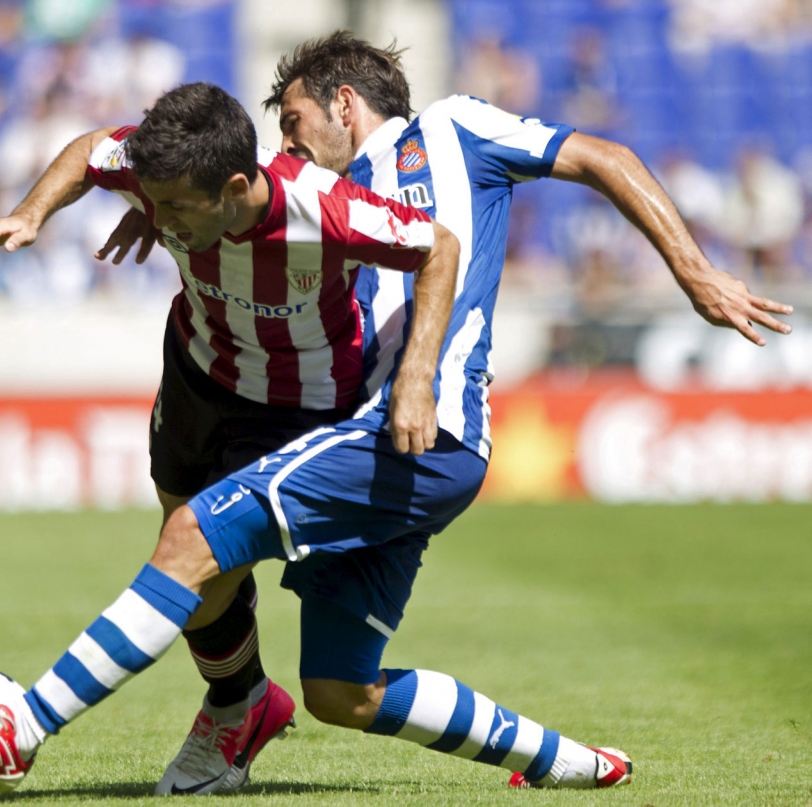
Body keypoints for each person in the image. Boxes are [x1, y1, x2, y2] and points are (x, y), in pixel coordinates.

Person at [89, 31, 797, 794]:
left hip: (420, 428)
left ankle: (74, 718)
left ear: (344, 103)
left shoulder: (455, 126)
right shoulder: (311, 194)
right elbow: (235, 210)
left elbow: (604, 157)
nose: (285, 143)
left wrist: (694, 270)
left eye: (292, 121)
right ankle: (565, 760)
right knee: (339, 689)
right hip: (347, 431)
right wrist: (171, 216)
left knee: (199, 545)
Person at [0, 80, 461, 794]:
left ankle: (204, 710)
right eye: (151, 201)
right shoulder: (167, 168)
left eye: (173, 207)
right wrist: (30, 213)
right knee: (187, 554)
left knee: (193, 566)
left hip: (295, 408)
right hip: (197, 372)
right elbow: (90, 149)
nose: (156, 218)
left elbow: (440, 247)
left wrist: (418, 374)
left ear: (233, 189)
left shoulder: (326, 209)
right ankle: (247, 697)